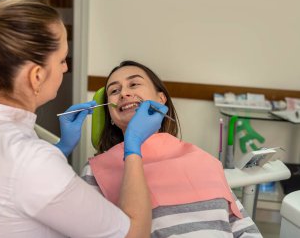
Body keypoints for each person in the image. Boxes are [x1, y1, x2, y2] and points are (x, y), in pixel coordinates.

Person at [0, 0, 169, 238]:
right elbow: (135, 235)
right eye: (61, 60)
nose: (66, 68)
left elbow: (15, 188)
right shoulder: (32, 161)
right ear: (36, 76)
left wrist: (62, 148)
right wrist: (132, 147)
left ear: (161, 97)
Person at [82, 60, 263, 238]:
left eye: (134, 84)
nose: (124, 93)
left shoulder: (203, 160)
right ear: (110, 116)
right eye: (114, 91)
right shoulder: (96, 171)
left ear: (161, 99)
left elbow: (243, 227)